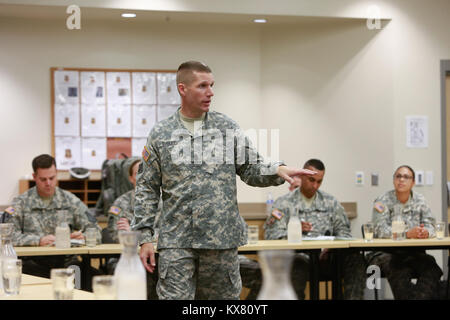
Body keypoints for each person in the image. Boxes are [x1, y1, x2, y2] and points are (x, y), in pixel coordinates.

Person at [132, 60, 316, 300]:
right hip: (177, 242)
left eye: (212, 85)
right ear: (182, 89)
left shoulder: (226, 128)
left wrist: (277, 169)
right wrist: (145, 238)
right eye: (202, 86)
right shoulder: (161, 133)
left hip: (221, 240)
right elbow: (146, 188)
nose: (210, 92)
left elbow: (250, 166)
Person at [262, 159, 366, 300]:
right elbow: (272, 236)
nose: (315, 185)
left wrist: (332, 248)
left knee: (356, 260)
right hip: (300, 258)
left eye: (319, 181)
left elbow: (344, 232)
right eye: (311, 180)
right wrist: (295, 231)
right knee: (297, 266)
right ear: (302, 176)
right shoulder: (284, 203)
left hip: (328, 259)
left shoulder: (330, 202)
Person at [7, 154, 102, 282]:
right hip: (33, 265)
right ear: (34, 177)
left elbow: (96, 229)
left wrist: (84, 237)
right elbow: (7, 236)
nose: (48, 183)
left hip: (67, 265)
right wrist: (38, 240)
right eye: (43, 179)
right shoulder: (21, 203)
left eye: (52, 178)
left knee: (91, 276)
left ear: (56, 174)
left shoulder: (70, 201)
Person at [370, 165, 443, 300]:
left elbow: (432, 225)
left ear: (413, 182)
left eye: (406, 177)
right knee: (399, 268)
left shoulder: (420, 200)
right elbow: (379, 230)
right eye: (398, 176)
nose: (401, 180)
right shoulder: (382, 201)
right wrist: (407, 234)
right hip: (386, 254)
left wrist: (425, 232)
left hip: (413, 252)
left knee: (431, 267)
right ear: (393, 180)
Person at [105, 159, 160, 299]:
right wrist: (144, 236)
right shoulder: (121, 203)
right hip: (127, 259)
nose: (142, 177)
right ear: (130, 178)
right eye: (137, 173)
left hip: (158, 258)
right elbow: (115, 234)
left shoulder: (163, 203)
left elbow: (168, 232)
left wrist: (134, 233)